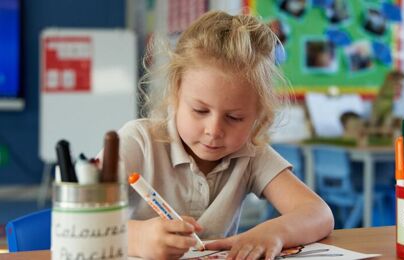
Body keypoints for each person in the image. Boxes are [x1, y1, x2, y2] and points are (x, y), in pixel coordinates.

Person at [111, 11, 333, 260]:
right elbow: (76, 219)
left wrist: (274, 232)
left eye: (235, 117)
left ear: (257, 115)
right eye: (200, 110)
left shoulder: (250, 153)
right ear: (176, 93)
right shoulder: (138, 141)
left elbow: (318, 213)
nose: (214, 130)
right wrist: (137, 238)